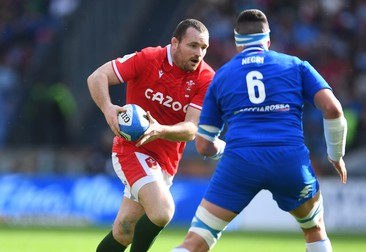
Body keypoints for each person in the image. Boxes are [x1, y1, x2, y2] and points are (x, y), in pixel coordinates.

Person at [172, 9, 347, 252]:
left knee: (197, 241)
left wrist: (229, 150)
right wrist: (335, 155)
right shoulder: (295, 65)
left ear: (237, 43)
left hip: (239, 164)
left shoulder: (221, 76)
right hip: (289, 162)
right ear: (267, 40)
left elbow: (203, 145)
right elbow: (333, 109)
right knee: (315, 229)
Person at [87, 18, 214, 252]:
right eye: (193, 46)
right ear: (175, 43)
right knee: (163, 211)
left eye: (204, 48)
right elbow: (97, 77)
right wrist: (108, 109)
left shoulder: (206, 78)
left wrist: (160, 130)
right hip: (132, 150)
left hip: (164, 164)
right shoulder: (148, 58)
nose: (199, 54)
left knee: (124, 231)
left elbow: (191, 129)